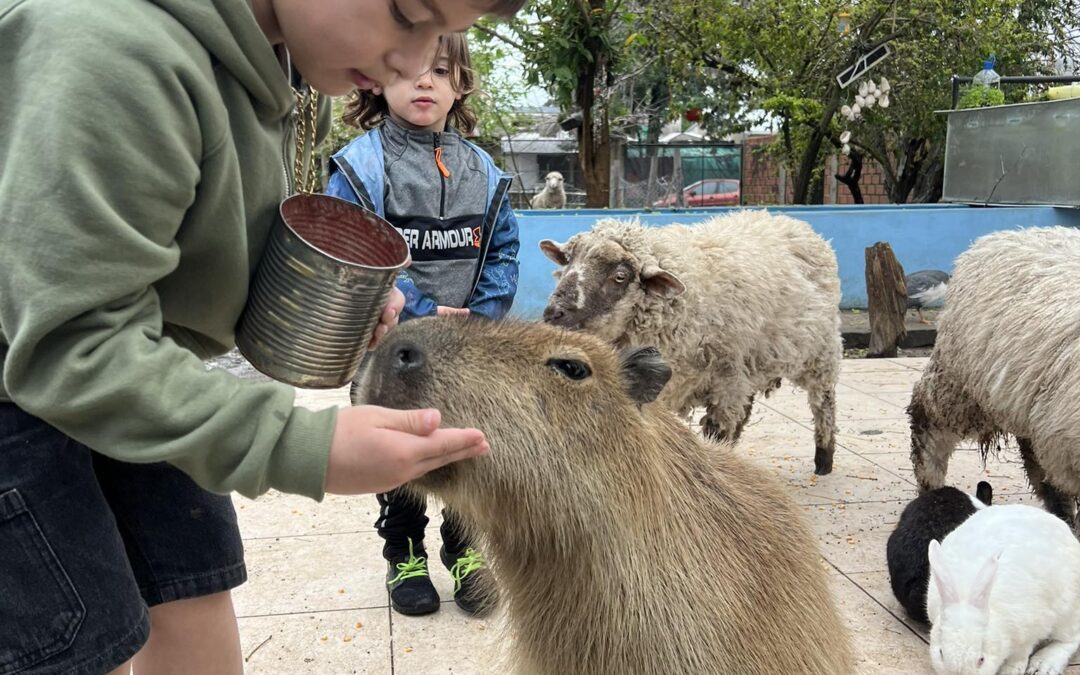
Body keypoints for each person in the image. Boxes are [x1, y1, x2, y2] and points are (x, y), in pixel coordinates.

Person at [0, 0, 525, 673]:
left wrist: (346, 300)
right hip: (27, 391)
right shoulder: (108, 53)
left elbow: (211, 244)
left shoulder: (294, 66)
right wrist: (302, 445)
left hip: (150, 367)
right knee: (81, 642)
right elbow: (68, 347)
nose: (416, 62)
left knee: (193, 594)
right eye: (405, 12)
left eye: (445, 37)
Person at [325, 32, 519, 617]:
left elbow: (504, 250)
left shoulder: (483, 171)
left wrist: (482, 312)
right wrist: (419, 310)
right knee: (396, 452)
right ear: (377, 83)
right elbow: (352, 246)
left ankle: (464, 551)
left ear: (461, 84)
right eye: (407, 69)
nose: (424, 82)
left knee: (463, 446)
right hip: (388, 343)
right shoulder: (361, 165)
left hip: (464, 349)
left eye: (439, 70)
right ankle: (403, 552)